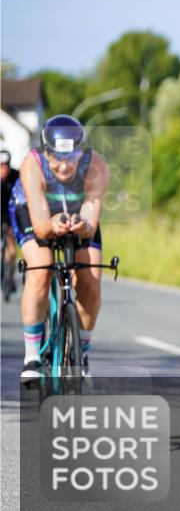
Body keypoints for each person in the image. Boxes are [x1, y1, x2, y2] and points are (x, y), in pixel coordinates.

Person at [9, 115, 109, 384]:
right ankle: (32, 356)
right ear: (46, 152)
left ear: (81, 151)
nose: (64, 166)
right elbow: (41, 227)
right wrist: (52, 224)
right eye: (57, 158)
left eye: (71, 157)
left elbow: (90, 217)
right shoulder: (33, 164)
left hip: (75, 214)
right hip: (33, 211)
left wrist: (83, 225)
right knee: (41, 269)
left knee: (90, 281)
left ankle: (82, 354)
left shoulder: (95, 165)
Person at [1, 149, 19, 299]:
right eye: (0, 165)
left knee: (12, 248)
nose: (4, 168)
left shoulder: (16, 176)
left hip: (12, 215)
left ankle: (10, 274)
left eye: (6, 165)